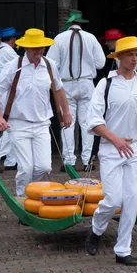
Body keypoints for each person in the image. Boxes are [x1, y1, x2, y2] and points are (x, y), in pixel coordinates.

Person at [84, 36, 137, 266]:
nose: (134, 59)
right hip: (111, 149)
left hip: (136, 149)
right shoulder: (106, 85)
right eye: (130, 54)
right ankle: (96, 228)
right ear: (119, 57)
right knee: (113, 199)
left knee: (132, 199)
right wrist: (115, 139)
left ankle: (123, 250)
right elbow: (92, 121)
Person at [0, 28, 72, 197]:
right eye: (35, 48)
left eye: (41, 48)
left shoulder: (49, 65)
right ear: (26, 48)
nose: (39, 52)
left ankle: (35, 195)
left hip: (42, 123)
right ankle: (23, 199)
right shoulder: (14, 66)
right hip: (18, 124)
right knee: (26, 168)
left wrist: (67, 112)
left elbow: (59, 89)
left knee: (44, 167)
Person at [48, 10, 106, 171]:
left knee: (67, 123)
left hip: (66, 84)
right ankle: (87, 161)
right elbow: (101, 63)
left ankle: (69, 162)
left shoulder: (59, 39)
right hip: (87, 83)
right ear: (81, 23)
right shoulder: (91, 38)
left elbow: (51, 64)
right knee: (87, 123)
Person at [0, 27, 21, 173]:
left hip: (6, 93)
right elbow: (21, 66)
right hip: (8, 94)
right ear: (12, 39)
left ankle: (11, 160)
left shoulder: (1, 50)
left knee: (14, 126)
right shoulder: (7, 51)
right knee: (11, 126)